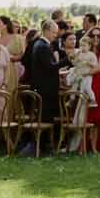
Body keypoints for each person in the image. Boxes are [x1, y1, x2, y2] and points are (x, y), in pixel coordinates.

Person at [23, 21, 61, 153]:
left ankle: (43, 146)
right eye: (54, 32)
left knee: (46, 117)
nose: (55, 36)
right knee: (45, 117)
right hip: (45, 89)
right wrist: (67, 60)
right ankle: (43, 147)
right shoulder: (42, 46)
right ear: (46, 31)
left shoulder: (39, 44)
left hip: (42, 87)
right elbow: (50, 67)